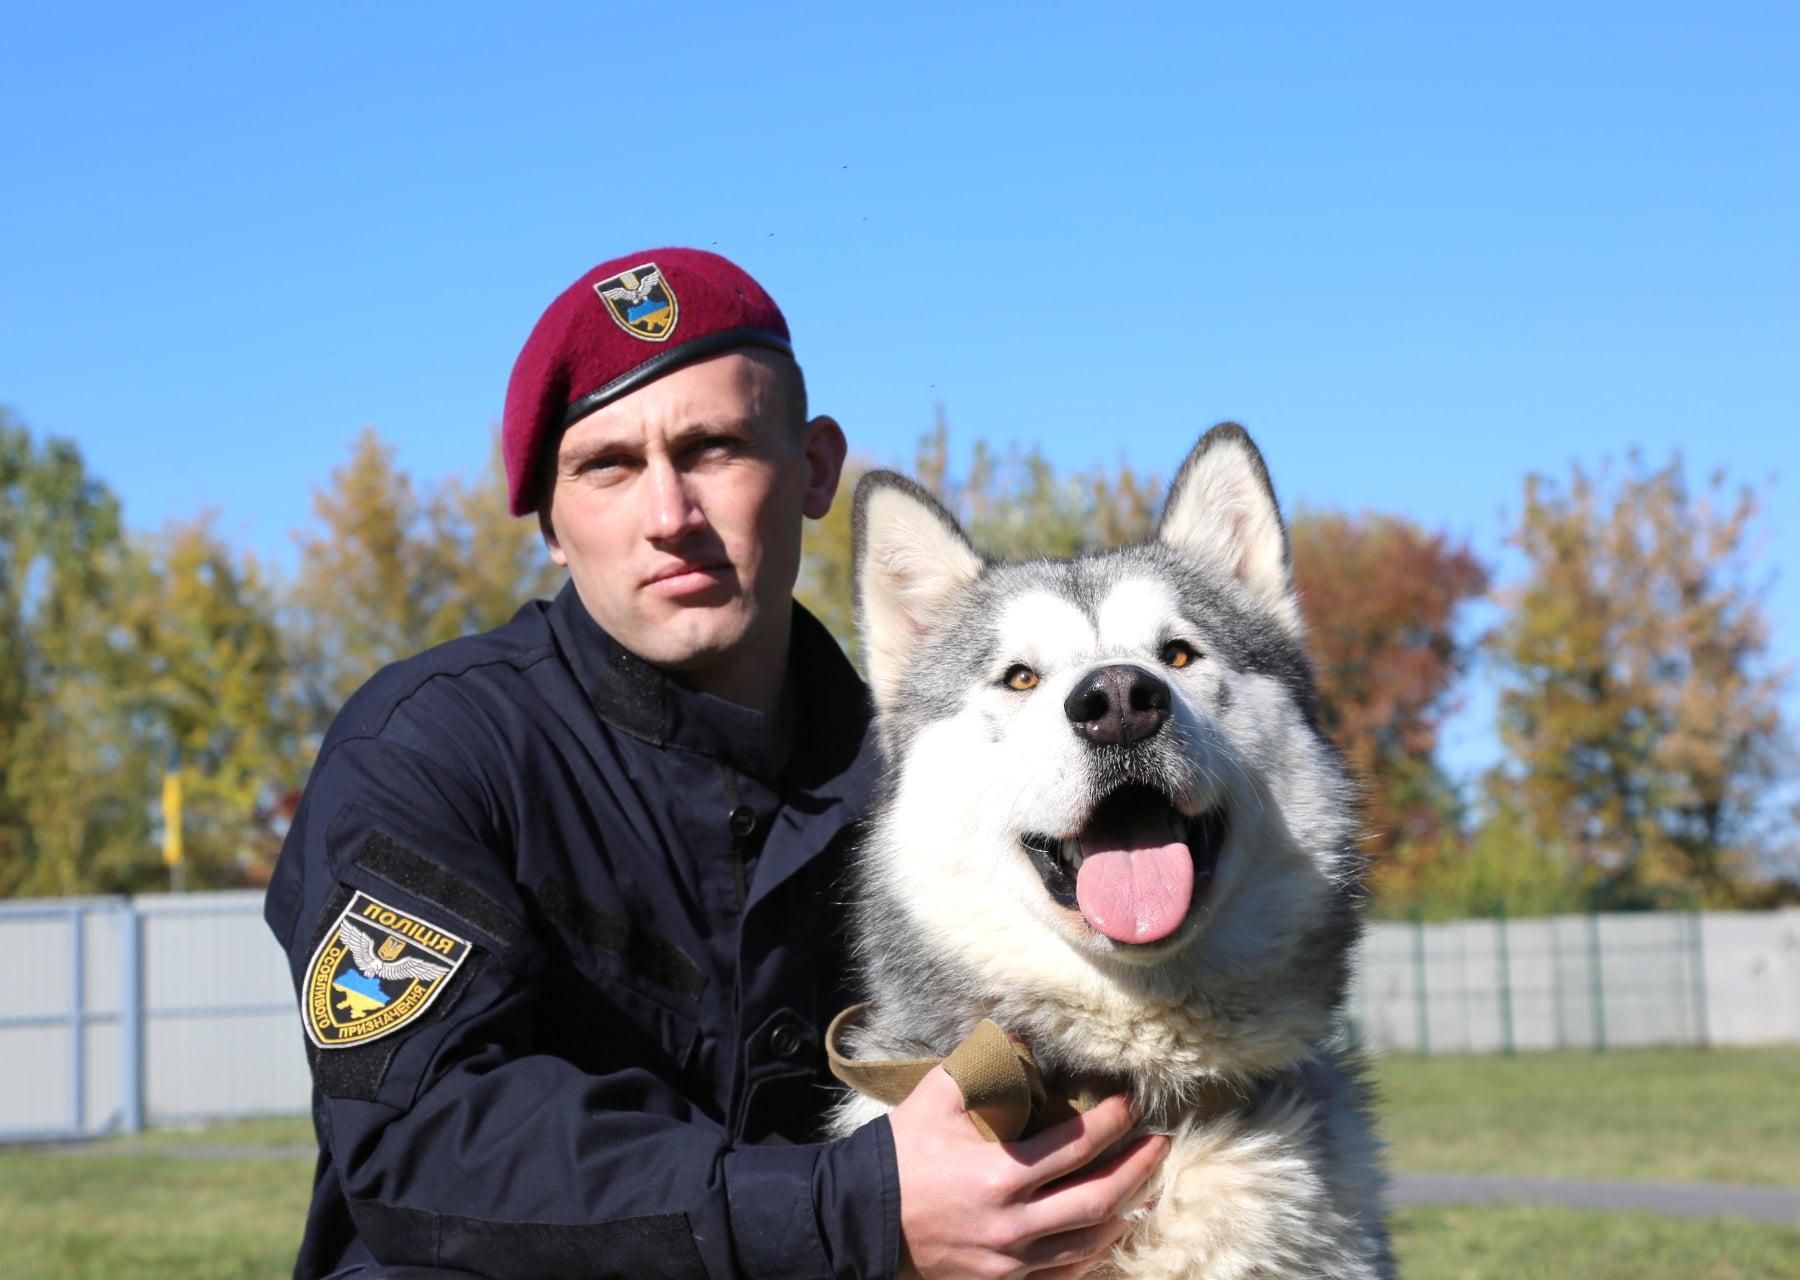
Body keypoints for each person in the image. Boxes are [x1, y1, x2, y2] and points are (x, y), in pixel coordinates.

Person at [264, 248, 1167, 1280]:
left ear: (816, 467)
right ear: (549, 523)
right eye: (608, 465)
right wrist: (855, 1209)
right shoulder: (431, 749)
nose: (670, 516)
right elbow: (424, 1139)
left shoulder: (950, 772)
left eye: (715, 448)